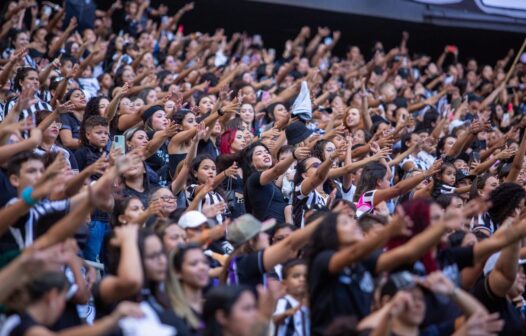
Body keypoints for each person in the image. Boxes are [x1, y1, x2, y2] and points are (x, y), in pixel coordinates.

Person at [273, 259, 310, 336]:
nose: (302, 279)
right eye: (296, 276)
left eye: (306, 276)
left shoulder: (307, 303)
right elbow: (274, 320)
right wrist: (285, 314)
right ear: (284, 283)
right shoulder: (284, 302)